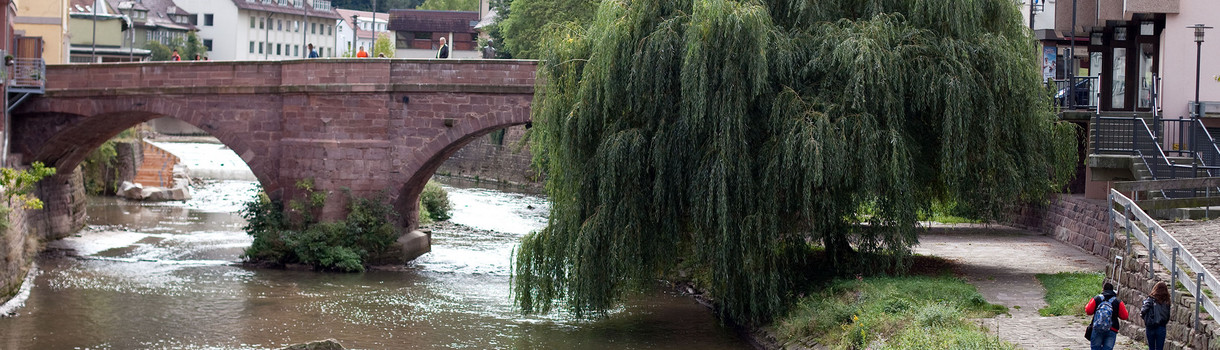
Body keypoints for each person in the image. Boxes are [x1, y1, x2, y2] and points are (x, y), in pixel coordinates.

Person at [1086, 282, 1129, 350]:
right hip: (1112, 328)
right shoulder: (1117, 301)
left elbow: (1088, 311)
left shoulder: (1097, 299)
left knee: (1095, 348)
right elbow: (1124, 316)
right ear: (1113, 290)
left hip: (1097, 327)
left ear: (1103, 289)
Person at [1141, 282, 1171, 350]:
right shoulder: (1167, 301)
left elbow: (1143, 310)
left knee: (1151, 347)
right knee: (1159, 348)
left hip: (1150, 325)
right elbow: (1167, 315)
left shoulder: (1151, 299)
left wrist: (1145, 318)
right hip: (1161, 326)